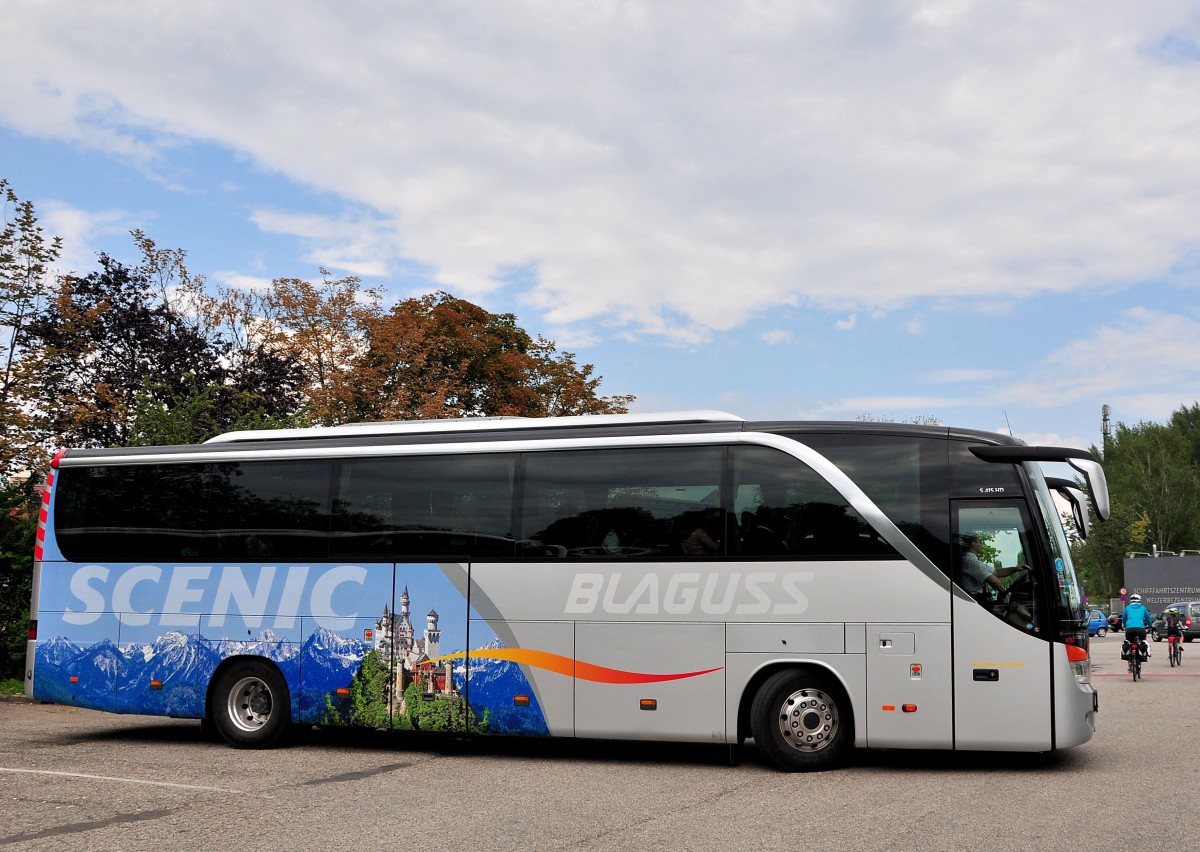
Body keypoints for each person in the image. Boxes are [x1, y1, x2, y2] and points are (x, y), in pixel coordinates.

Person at [960, 535, 1030, 605]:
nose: (981, 544)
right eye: (979, 542)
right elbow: (994, 581)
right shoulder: (970, 561)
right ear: (973, 544)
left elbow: (996, 572)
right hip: (977, 600)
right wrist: (1004, 593)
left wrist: (1015, 568)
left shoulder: (972, 561)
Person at [1122, 594, 1154, 667]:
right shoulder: (1143, 608)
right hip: (1140, 629)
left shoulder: (1127, 608)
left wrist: (1125, 625)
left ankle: (1130, 663)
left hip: (1129, 629)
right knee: (1143, 640)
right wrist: (1150, 626)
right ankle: (1144, 653)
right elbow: (1148, 618)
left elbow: (1124, 618)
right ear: (1139, 600)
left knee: (1128, 643)